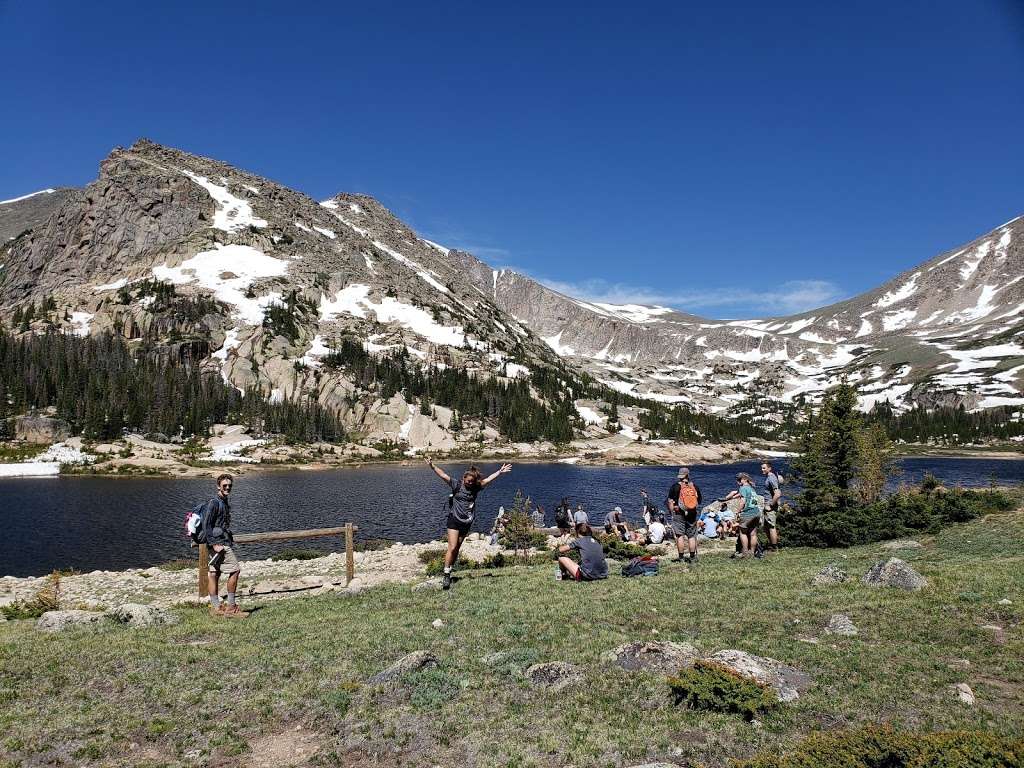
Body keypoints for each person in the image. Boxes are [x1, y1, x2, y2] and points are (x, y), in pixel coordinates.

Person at [427, 458, 512, 589]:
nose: (470, 483)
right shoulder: (456, 485)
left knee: (457, 549)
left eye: (472, 481)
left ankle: (449, 570)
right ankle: (446, 574)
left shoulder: (476, 487)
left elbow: (488, 479)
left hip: (466, 522)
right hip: (454, 520)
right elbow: (443, 475)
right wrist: (432, 466)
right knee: (453, 547)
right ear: (463, 478)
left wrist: (499, 472)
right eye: (468, 481)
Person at [204, 473, 248, 618]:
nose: (228, 487)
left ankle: (216, 607)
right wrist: (213, 544)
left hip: (219, 543)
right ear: (218, 486)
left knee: (214, 574)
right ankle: (231, 607)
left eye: (230, 485)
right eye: (225, 485)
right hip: (219, 544)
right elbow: (206, 525)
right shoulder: (214, 502)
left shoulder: (223, 501)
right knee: (235, 570)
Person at [666, 467, 703, 563]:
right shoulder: (694, 486)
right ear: (688, 475)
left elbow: (670, 501)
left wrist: (672, 513)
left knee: (680, 536)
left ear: (680, 476)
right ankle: (692, 557)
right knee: (691, 536)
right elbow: (699, 501)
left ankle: (681, 558)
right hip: (692, 514)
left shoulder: (675, 486)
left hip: (679, 513)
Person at [725, 472, 761, 558]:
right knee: (753, 533)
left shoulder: (743, 488)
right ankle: (752, 552)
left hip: (747, 513)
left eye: (739, 479)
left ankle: (745, 552)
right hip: (756, 512)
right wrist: (730, 496)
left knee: (743, 532)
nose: (737, 482)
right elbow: (740, 496)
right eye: (737, 480)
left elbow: (743, 501)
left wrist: (738, 511)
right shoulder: (751, 488)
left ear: (745, 479)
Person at [761, 461, 782, 551]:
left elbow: (777, 493)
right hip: (767, 505)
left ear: (769, 468)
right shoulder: (770, 477)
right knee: (766, 527)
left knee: (771, 526)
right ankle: (771, 544)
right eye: (762, 468)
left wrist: (771, 505)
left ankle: (774, 547)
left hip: (770, 506)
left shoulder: (771, 478)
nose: (762, 470)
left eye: (764, 468)